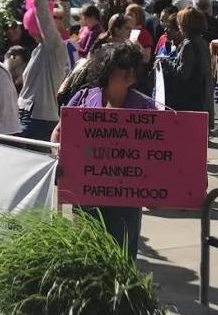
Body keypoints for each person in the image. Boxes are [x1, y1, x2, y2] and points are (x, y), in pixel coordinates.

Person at [51, 41, 156, 260]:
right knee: (88, 253)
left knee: (122, 256)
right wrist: (59, 158)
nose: (130, 72)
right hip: (87, 193)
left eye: (133, 67)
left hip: (126, 197)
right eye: (123, 66)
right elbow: (58, 133)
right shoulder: (83, 98)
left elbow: (158, 149)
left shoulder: (145, 107)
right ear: (108, 69)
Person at [17, 0, 70, 141]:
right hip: (27, 114)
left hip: (40, 119)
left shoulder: (55, 47)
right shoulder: (39, 49)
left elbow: (45, 20)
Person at [159, 8, 213, 114]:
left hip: (189, 100)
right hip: (201, 97)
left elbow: (183, 73)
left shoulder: (188, 45)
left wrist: (164, 62)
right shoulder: (203, 42)